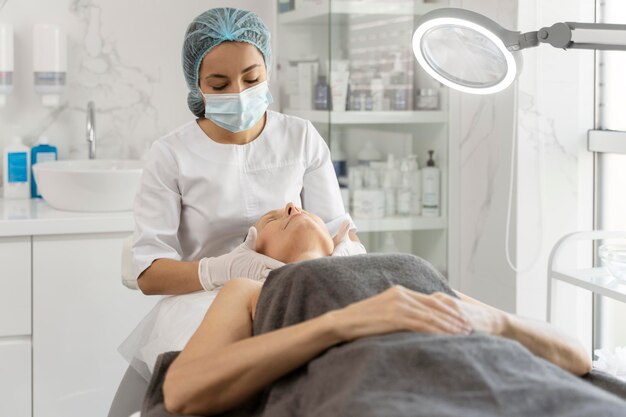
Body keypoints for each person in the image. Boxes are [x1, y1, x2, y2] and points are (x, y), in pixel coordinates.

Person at [158, 203, 600, 416]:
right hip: (381, 396)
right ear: (257, 252)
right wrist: (342, 323)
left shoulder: (404, 267)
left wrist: (494, 320)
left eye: (297, 206)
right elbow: (183, 390)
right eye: (273, 218)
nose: (291, 206)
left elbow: (577, 356)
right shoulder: (251, 289)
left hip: (511, 383)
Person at [132, 7, 364, 297]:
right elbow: (149, 274)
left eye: (252, 79)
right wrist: (223, 270)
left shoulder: (300, 136)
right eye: (219, 85)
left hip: (294, 293)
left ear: (266, 69)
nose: (239, 93)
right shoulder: (171, 155)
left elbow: (337, 231)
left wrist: (348, 254)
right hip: (202, 301)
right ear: (197, 86)